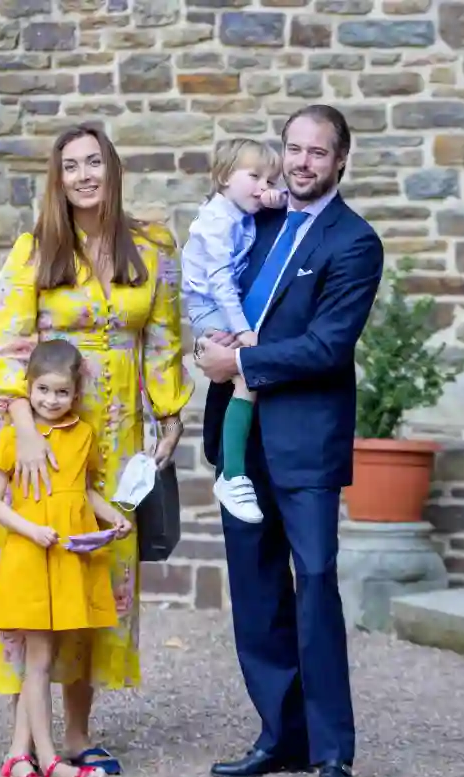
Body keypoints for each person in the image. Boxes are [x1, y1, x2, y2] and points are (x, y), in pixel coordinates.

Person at [0, 123, 193, 777]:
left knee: (93, 584)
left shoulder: (152, 247)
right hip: (41, 439)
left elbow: (164, 336)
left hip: (116, 441)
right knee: (35, 580)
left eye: (95, 161)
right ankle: (27, 742)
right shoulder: (34, 248)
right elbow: (5, 348)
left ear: (112, 168)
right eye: (71, 166)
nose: (85, 175)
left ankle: (73, 735)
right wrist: (27, 427)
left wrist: (171, 414)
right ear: (58, 178)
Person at [195, 105, 384, 777]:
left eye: (317, 152)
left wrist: (243, 364)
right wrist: (203, 349)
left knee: (315, 586)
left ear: (341, 161)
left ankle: (333, 753)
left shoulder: (354, 241)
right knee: (255, 589)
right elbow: (213, 293)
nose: (302, 162)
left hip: (305, 442)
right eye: (294, 149)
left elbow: (329, 345)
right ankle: (281, 735)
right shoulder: (256, 220)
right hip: (242, 440)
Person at [0, 339, 132, 777]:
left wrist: (112, 516)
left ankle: (22, 759)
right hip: (31, 556)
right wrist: (31, 531)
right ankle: (47, 760)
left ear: (76, 392)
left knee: (49, 660)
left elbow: (80, 489)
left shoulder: (84, 434)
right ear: (28, 388)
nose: (51, 400)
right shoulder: (13, 437)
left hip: (68, 557)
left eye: (61, 392)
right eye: (43, 390)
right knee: (40, 660)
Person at [182, 138, 285, 524]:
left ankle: (233, 471)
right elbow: (221, 283)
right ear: (225, 177)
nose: (264, 186)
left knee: (248, 375)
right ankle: (232, 474)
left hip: (224, 306)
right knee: (248, 374)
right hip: (212, 307)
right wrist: (243, 333)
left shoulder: (239, 211)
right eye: (255, 176)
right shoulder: (217, 222)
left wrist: (277, 195)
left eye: (270, 178)